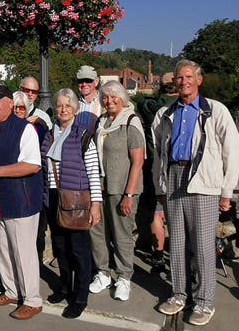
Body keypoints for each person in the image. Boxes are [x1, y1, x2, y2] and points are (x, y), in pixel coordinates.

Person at [153, 60, 239, 326]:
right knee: (176, 243)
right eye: (179, 78)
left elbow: (232, 152)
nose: (184, 82)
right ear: (174, 82)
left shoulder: (216, 110)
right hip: (174, 178)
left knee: (202, 245)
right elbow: (157, 154)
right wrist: (159, 186)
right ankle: (179, 295)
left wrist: (227, 191)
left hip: (204, 182)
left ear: (199, 80)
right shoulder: (164, 114)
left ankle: (204, 302)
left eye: (189, 77)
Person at [0, 85, 44, 320]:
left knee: (23, 253)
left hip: (21, 201)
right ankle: (12, 291)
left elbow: (33, 164)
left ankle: (33, 300)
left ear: (9, 103)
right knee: (3, 250)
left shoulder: (25, 129)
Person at [40, 89, 102, 318]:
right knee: (60, 248)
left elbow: (93, 172)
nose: (63, 109)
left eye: (68, 105)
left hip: (76, 199)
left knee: (79, 250)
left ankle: (80, 296)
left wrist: (95, 204)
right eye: (59, 105)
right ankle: (65, 287)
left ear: (75, 108)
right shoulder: (49, 134)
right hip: (53, 197)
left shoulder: (83, 135)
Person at [90, 80, 145, 302]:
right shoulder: (102, 121)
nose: (109, 100)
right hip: (100, 188)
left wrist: (129, 194)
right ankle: (102, 273)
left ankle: (124, 277)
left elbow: (138, 162)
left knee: (122, 235)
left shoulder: (131, 122)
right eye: (105, 97)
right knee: (97, 232)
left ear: (123, 98)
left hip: (122, 189)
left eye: (114, 97)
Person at [137, 73, 179, 269]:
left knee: (157, 213)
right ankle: (181, 257)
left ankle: (158, 254)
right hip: (180, 168)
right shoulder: (184, 105)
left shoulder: (150, 107)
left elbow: (143, 103)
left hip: (155, 167)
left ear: (160, 87)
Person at [14, 90, 48, 264]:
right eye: (15, 107)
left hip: (31, 186)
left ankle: (33, 264)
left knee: (33, 231)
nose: (19, 110)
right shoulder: (4, 127)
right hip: (12, 187)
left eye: (22, 107)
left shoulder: (36, 127)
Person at [75, 65, 102, 134]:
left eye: (88, 80)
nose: (84, 84)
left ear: (96, 81)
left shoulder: (104, 103)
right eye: (80, 81)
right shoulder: (73, 104)